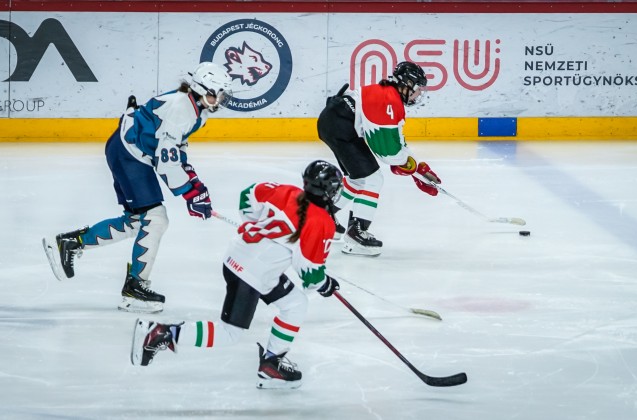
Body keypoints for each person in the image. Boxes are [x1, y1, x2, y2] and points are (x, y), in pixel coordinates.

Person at [130, 160, 343, 390]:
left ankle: (272, 364)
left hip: (245, 259)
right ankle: (162, 333)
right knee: (229, 333)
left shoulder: (287, 191)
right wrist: (325, 284)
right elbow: (310, 274)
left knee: (295, 303)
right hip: (251, 273)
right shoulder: (321, 222)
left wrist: (253, 223)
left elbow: (248, 196)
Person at [42, 61, 233, 313]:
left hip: (127, 151)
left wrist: (194, 184)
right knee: (155, 219)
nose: (221, 99)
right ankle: (135, 288)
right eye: (218, 93)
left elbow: (175, 149)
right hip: (129, 155)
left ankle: (70, 243)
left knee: (137, 221)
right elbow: (166, 162)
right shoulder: (182, 110)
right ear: (201, 89)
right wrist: (189, 192)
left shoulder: (194, 108)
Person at [317, 61, 442, 257]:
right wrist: (408, 167)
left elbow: (397, 144)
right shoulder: (389, 101)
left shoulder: (389, 96)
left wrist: (418, 169)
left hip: (335, 121)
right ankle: (356, 234)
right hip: (340, 126)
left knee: (358, 179)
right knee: (373, 179)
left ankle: (322, 214)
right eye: (417, 89)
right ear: (407, 84)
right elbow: (388, 152)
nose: (418, 94)